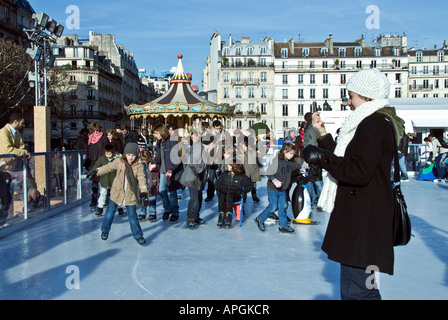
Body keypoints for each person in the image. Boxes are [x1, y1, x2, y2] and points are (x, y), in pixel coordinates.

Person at [304, 68, 405, 300]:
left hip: (363, 224)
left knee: (358, 291)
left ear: (366, 95)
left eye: (351, 96)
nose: (348, 102)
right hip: (368, 220)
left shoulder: (372, 124)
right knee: (364, 289)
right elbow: (351, 160)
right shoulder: (378, 121)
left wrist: (321, 157)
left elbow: (357, 172)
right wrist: (322, 135)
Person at [88, 143, 148, 246]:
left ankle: (138, 236)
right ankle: (105, 230)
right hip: (116, 192)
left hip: (131, 194)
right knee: (109, 213)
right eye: (128, 155)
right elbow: (108, 167)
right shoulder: (119, 161)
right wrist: (96, 172)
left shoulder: (138, 166)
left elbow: (142, 179)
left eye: (133, 155)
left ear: (136, 155)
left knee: (133, 217)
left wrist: (143, 191)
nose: (131, 157)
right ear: (125, 154)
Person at [254, 143, 300, 233]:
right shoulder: (277, 161)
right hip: (273, 189)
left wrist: (301, 168)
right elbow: (268, 172)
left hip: (283, 189)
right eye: (290, 154)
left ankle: (283, 225)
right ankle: (260, 219)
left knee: (283, 206)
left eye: (293, 154)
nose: (292, 156)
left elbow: (295, 165)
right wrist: (274, 180)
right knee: (273, 206)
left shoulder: (290, 161)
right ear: (285, 152)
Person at [0, 113, 30, 228]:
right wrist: (22, 152)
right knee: (6, 197)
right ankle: (1, 221)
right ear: (16, 122)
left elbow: (21, 147)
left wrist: (21, 152)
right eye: (22, 123)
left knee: (7, 197)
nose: (23, 125)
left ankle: (2, 221)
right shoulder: (3, 132)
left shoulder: (16, 133)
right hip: (3, 168)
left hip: (10, 169)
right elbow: (7, 149)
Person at [150, 123, 184, 222]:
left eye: (156, 133)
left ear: (161, 132)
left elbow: (177, 158)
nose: (155, 135)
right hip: (164, 170)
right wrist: (153, 162)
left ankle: (175, 212)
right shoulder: (160, 142)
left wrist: (171, 169)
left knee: (172, 193)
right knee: (162, 191)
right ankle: (167, 209)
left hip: (172, 171)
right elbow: (159, 156)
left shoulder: (172, 141)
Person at [180, 131, 214, 229]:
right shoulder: (199, 149)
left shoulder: (204, 150)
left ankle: (196, 217)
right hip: (192, 178)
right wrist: (199, 171)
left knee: (198, 198)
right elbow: (191, 162)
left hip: (198, 179)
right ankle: (190, 218)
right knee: (194, 199)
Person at [215, 161, 253, 227]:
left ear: (234, 167)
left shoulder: (241, 176)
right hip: (224, 194)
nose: (228, 166)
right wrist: (218, 191)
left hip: (235, 195)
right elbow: (217, 183)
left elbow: (250, 185)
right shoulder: (225, 174)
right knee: (222, 195)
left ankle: (229, 215)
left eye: (229, 165)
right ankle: (221, 214)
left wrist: (243, 191)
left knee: (229, 195)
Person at [90, 144, 121, 216]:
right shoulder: (102, 158)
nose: (108, 155)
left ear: (113, 153)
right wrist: (92, 172)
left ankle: (120, 208)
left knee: (117, 195)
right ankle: (100, 208)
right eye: (106, 154)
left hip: (114, 180)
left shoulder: (117, 159)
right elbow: (96, 166)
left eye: (109, 154)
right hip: (104, 180)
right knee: (103, 194)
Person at [84, 122, 108, 208]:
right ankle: (93, 199)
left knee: (103, 182)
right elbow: (88, 151)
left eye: (97, 130)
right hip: (92, 163)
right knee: (94, 183)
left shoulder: (104, 138)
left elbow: (107, 151)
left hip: (101, 163)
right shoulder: (90, 139)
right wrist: (87, 161)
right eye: (93, 131)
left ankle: (105, 199)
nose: (95, 132)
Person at [205, 120, 224, 203]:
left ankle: (222, 195)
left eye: (220, 128)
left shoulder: (224, 134)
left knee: (222, 179)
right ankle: (210, 195)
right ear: (213, 127)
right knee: (211, 178)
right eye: (217, 128)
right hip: (212, 160)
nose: (218, 130)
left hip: (221, 159)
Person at [139, 148, 159, 222]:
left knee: (152, 199)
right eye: (143, 160)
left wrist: (155, 167)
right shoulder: (140, 164)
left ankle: (152, 213)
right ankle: (142, 212)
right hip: (143, 184)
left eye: (146, 160)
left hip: (152, 183)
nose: (145, 161)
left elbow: (158, 169)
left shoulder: (153, 163)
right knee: (143, 199)